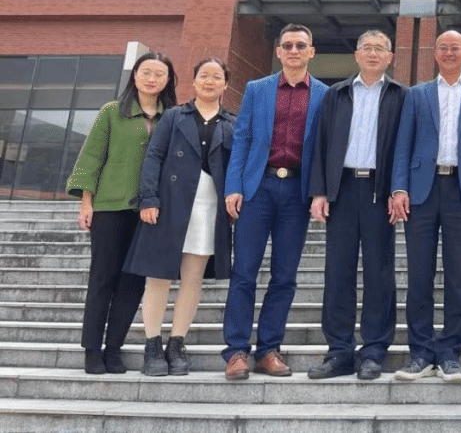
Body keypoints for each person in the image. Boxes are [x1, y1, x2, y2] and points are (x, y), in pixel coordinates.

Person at [222, 24, 329, 380]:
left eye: (301, 45)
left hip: (297, 192)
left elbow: (326, 149)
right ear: (279, 51)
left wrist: (320, 192)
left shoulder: (325, 95)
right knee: (244, 272)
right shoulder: (257, 89)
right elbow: (242, 139)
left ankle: (269, 349)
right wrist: (234, 187)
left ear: (311, 51)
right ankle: (236, 351)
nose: (294, 50)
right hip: (259, 187)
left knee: (285, 276)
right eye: (288, 45)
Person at [389, 30, 461, 382]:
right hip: (421, 189)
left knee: (459, 276)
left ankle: (450, 353)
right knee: (419, 274)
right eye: (444, 48)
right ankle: (420, 352)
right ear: (435, 53)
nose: (449, 53)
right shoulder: (416, 94)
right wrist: (399, 187)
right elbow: (402, 143)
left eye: (456, 48)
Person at [67, 51, 178, 374]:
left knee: (133, 283)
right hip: (109, 206)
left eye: (159, 74)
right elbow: (92, 157)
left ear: (168, 80)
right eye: (146, 72)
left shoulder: (172, 118)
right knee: (102, 278)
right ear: (135, 75)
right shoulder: (112, 112)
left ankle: (114, 348)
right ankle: (92, 349)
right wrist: (86, 202)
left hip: (149, 212)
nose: (152, 78)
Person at [125, 58, 234, 376]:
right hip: (169, 204)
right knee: (158, 277)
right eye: (204, 76)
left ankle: (176, 343)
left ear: (225, 84)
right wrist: (149, 198)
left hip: (208, 208)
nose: (210, 81)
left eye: (217, 77)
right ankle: (152, 345)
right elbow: (154, 156)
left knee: (192, 279)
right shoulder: (174, 116)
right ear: (194, 81)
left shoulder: (232, 123)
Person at [307, 30, 405, 381]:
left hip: (381, 191)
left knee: (380, 271)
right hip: (343, 189)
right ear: (357, 54)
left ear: (390, 56)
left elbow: (405, 146)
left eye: (380, 48)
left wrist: (399, 188)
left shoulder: (401, 96)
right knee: (338, 271)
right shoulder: (336, 94)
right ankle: (339, 351)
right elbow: (320, 144)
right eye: (367, 48)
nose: (373, 54)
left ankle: (374, 350)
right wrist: (320, 192)